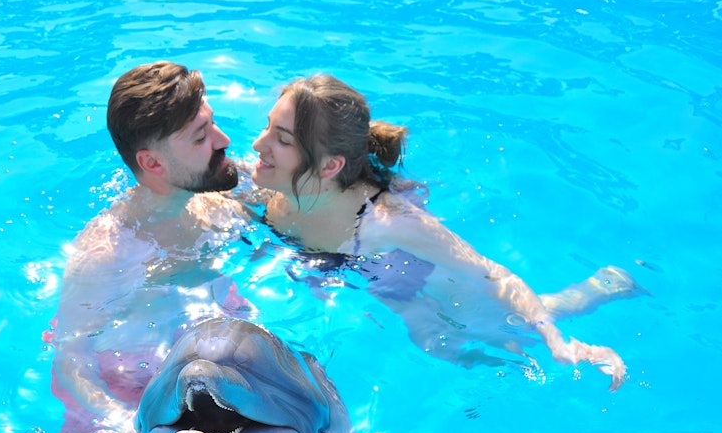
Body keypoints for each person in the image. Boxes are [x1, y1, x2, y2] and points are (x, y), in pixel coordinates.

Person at [249, 74, 635, 390]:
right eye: (267, 127)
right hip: (374, 277)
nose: (258, 144)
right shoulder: (271, 185)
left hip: (427, 284)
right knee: (438, 342)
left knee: (482, 330)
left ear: (330, 166)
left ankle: (602, 288)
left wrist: (556, 342)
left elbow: (492, 273)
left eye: (281, 140)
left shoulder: (389, 221)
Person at [46, 61, 253, 433]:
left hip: (198, 363)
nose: (223, 140)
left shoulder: (215, 201)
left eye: (213, 124)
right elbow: (70, 360)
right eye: (201, 137)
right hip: (124, 388)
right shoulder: (107, 255)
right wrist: (123, 426)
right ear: (153, 164)